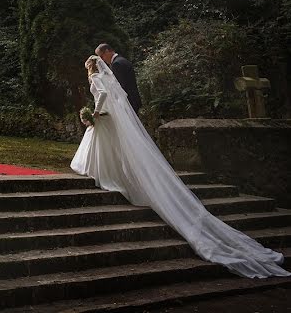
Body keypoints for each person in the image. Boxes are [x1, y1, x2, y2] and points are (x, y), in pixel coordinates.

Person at [71, 55, 289, 279]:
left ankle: (102, 173)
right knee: (108, 146)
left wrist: (95, 112)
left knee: (102, 144)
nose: (87, 69)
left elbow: (104, 95)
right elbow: (120, 96)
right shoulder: (108, 77)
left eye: (87, 66)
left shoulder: (96, 77)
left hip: (105, 116)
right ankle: (104, 170)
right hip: (111, 117)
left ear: (91, 66)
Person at [95, 43, 142, 113]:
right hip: (133, 98)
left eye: (102, 56)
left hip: (128, 102)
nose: (102, 60)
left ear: (107, 51)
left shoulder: (116, 64)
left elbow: (120, 86)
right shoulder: (122, 60)